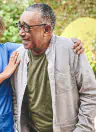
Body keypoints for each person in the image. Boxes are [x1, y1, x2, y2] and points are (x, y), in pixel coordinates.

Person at [0, 1, 84, 132]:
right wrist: (4, 75)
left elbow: (38, 42)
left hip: (2, 127)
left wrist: (69, 42)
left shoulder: (4, 50)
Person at [12, 3, 96, 132]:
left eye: (26, 27)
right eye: (20, 26)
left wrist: (82, 129)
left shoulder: (71, 50)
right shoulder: (18, 57)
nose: (21, 32)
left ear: (46, 30)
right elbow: (16, 98)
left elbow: (90, 93)